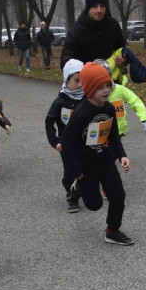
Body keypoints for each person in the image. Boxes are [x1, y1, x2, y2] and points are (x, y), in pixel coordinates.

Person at [59, 62, 133, 245]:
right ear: (90, 89)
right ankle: (76, 187)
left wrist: (122, 155)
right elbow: (66, 143)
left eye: (108, 85)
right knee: (94, 205)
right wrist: (76, 171)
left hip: (106, 161)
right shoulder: (81, 113)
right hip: (86, 167)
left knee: (118, 196)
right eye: (100, 87)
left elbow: (114, 135)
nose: (106, 90)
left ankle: (112, 231)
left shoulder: (109, 109)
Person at [45, 59, 86, 213]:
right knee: (70, 173)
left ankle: (79, 193)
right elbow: (49, 122)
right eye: (76, 81)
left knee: (85, 171)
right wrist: (55, 141)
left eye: (83, 80)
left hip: (85, 143)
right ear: (67, 79)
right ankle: (72, 195)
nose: (81, 85)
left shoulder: (87, 98)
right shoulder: (60, 100)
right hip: (66, 145)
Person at [60, 0, 127, 71]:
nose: (99, 10)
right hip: (86, 79)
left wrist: (123, 59)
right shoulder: (76, 30)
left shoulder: (113, 25)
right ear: (88, 9)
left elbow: (122, 49)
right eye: (95, 6)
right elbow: (66, 60)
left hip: (110, 78)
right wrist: (78, 72)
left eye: (102, 6)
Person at [94, 60, 146, 139]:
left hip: (118, 132)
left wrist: (144, 118)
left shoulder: (120, 90)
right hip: (98, 133)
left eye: (106, 76)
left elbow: (135, 101)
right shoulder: (91, 94)